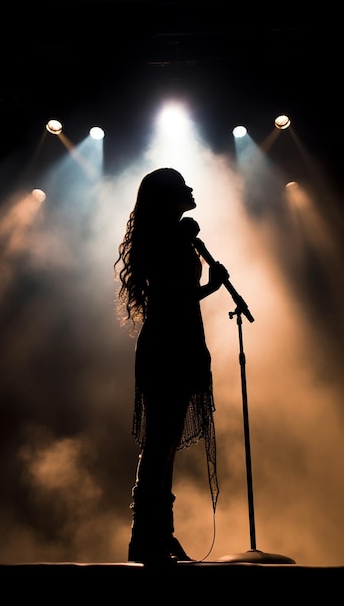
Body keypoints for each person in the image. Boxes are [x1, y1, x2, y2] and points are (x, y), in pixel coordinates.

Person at [114, 167, 228, 565]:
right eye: (183, 186)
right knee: (160, 445)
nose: (192, 189)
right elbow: (168, 298)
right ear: (168, 197)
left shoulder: (173, 237)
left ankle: (160, 533)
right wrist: (209, 286)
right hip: (167, 349)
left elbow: (174, 296)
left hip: (176, 347)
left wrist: (207, 285)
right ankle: (144, 538)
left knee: (165, 447)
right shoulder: (166, 239)